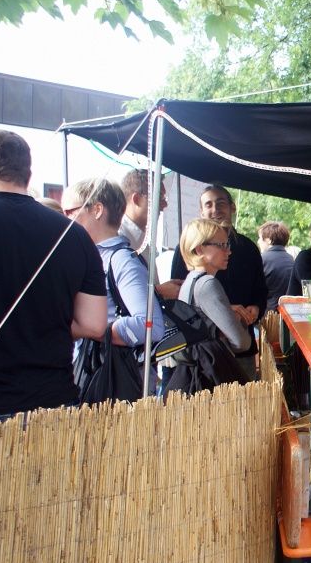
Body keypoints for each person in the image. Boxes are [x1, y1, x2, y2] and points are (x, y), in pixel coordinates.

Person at [0, 130, 106, 415]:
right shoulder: (74, 234)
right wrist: (44, 324)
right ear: (28, 174)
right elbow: (94, 324)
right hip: (54, 406)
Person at [63, 178, 165, 395]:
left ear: (97, 210)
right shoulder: (93, 256)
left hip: (116, 384)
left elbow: (151, 326)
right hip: (96, 373)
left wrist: (92, 329)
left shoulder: (121, 260)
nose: (65, 220)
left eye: (70, 212)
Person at [170, 184, 266, 379]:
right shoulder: (188, 250)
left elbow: (261, 289)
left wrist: (256, 308)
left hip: (240, 346)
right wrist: (222, 309)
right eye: (209, 204)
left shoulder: (248, 247)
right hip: (208, 357)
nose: (215, 210)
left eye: (220, 203)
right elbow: (179, 299)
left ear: (232, 207)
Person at [166, 219, 251, 394]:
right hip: (209, 379)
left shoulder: (189, 281)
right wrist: (238, 321)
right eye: (221, 245)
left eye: (227, 244)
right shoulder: (207, 285)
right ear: (199, 249)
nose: (228, 251)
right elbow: (241, 342)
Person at [119, 168, 182, 300]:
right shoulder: (118, 239)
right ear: (137, 199)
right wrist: (159, 291)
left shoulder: (142, 240)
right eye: (159, 197)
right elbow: (117, 294)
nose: (164, 204)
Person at [257, 220, 293, 312]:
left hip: (266, 315)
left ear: (268, 240)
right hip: (287, 312)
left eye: (260, 238)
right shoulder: (291, 259)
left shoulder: (262, 259)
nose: (258, 242)